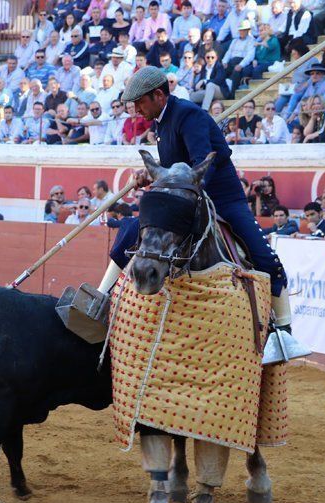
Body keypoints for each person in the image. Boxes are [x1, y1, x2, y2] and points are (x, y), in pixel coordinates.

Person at [117, 66, 290, 324]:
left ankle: (284, 331)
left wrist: (179, 193)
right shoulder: (162, 123)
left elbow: (202, 165)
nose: (136, 109)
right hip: (184, 200)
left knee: (266, 259)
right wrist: (151, 174)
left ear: (159, 96)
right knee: (131, 231)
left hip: (222, 199)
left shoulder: (189, 115)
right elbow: (175, 169)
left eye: (140, 102)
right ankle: (99, 299)